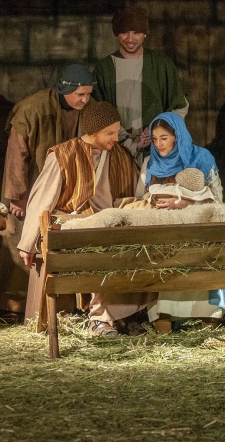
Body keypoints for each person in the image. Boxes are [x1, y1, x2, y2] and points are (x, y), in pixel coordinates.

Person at [16, 100, 143, 336]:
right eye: (110, 133)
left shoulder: (119, 156)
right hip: (74, 225)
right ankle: (100, 319)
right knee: (99, 250)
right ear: (93, 131)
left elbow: (135, 192)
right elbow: (42, 200)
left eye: (117, 131)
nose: (116, 138)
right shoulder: (64, 155)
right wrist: (27, 243)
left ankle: (124, 314)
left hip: (110, 223)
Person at [0, 64, 96, 318]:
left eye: (88, 94)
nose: (85, 100)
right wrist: (18, 194)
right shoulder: (33, 108)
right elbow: (17, 153)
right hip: (30, 186)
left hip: (64, 189)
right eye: (80, 95)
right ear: (64, 89)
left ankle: (58, 305)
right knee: (19, 238)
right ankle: (13, 304)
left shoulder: (88, 110)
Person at [134, 112, 225, 333]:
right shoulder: (150, 163)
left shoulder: (201, 158)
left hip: (197, 226)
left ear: (177, 136)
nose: (159, 144)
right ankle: (165, 315)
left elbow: (217, 198)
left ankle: (208, 316)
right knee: (167, 259)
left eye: (164, 138)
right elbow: (139, 197)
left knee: (199, 259)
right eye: (154, 138)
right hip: (164, 229)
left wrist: (185, 202)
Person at [92, 6, 189, 164]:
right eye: (124, 32)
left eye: (136, 32)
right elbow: (98, 112)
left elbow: (179, 106)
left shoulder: (162, 65)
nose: (130, 39)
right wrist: (125, 140)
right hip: (116, 150)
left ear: (145, 33)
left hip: (155, 151)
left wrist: (158, 129)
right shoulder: (104, 69)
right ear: (116, 33)